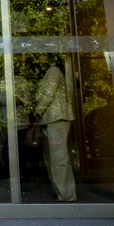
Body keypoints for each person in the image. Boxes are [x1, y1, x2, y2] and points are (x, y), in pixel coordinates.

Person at [31, 56, 77, 202]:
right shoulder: (49, 72)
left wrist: (38, 110)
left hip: (57, 117)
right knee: (53, 158)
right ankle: (62, 193)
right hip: (51, 118)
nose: (39, 58)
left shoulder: (53, 71)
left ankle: (67, 195)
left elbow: (49, 93)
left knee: (58, 158)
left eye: (42, 55)